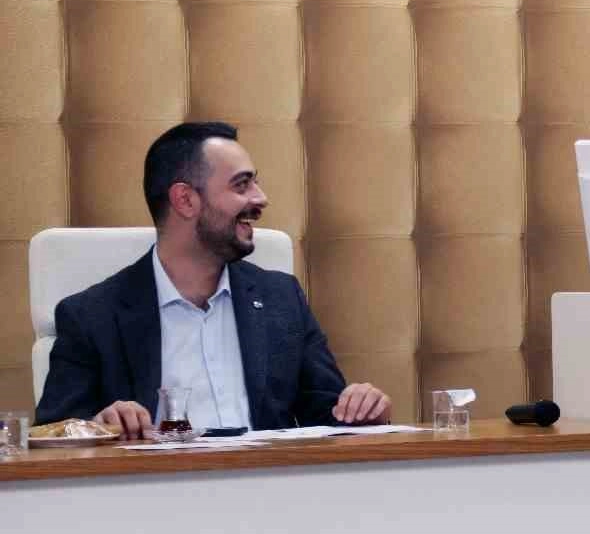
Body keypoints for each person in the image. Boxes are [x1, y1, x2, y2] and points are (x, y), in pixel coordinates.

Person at [34, 122, 394, 438]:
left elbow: (328, 416)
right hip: (152, 491)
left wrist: (362, 411)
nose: (261, 198)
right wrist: (100, 426)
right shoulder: (91, 315)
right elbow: (54, 434)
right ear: (185, 200)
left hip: (270, 487)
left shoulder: (281, 298)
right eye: (242, 185)